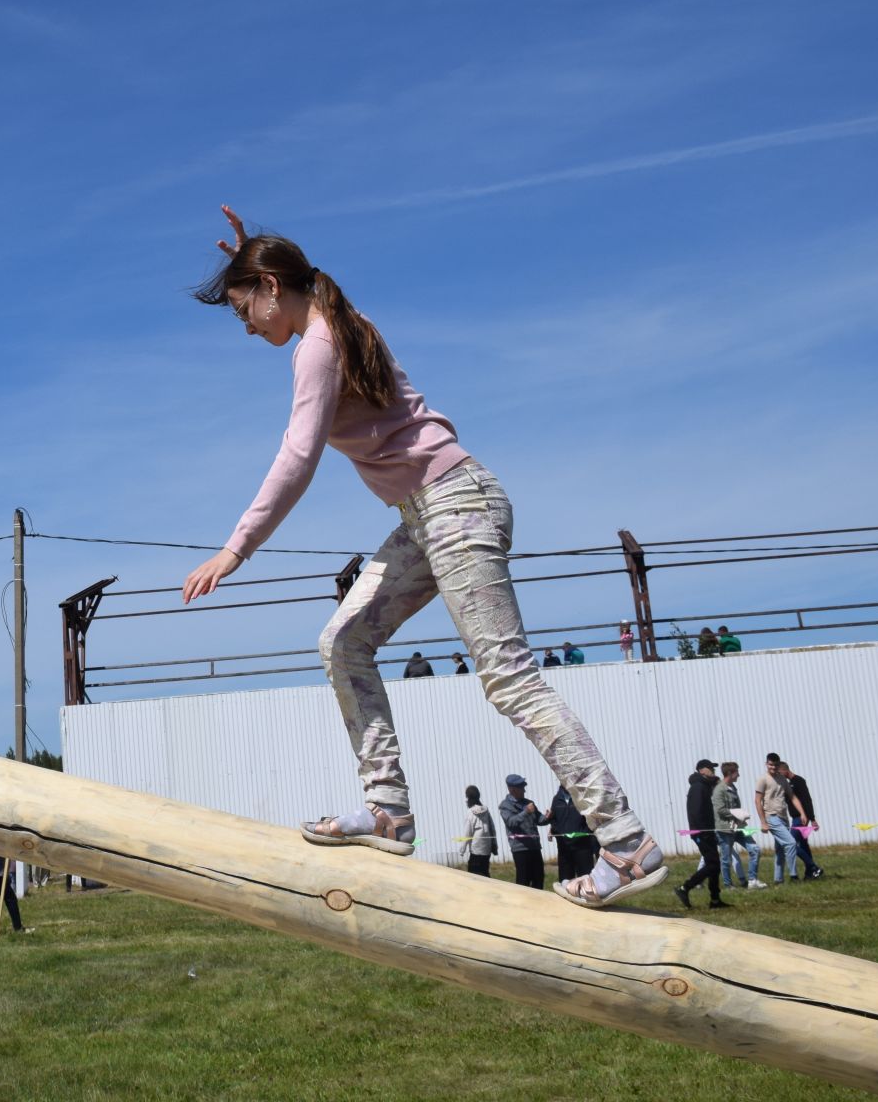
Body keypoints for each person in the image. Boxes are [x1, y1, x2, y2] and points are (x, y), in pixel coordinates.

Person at [180, 208, 663, 909]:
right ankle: (388, 811)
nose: (247, 326)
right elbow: (298, 285)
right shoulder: (341, 318)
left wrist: (236, 547)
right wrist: (251, 261)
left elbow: (297, 457)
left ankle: (626, 842)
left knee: (510, 681)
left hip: (457, 507)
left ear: (270, 286)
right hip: (430, 516)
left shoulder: (317, 345)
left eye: (243, 308)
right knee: (344, 642)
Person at [674, 760, 730, 910]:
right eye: (710, 768)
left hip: (706, 832)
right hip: (702, 832)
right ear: (701, 770)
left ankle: (715, 900)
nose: (713, 770)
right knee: (712, 864)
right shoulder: (698, 787)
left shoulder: (704, 785)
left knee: (715, 865)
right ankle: (684, 888)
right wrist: (703, 832)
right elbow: (697, 811)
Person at [715, 762, 766, 891]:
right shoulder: (719, 790)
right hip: (725, 828)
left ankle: (752, 880)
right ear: (730, 774)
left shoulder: (733, 787)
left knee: (755, 849)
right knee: (726, 859)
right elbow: (720, 810)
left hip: (741, 827)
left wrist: (740, 816)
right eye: (737, 772)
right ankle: (728, 885)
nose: (739, 775)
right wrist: (736, 814)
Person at [754, 753, 801, 885]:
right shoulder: (762, 779)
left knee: (780, 850)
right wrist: (763, 822)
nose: (773, 767)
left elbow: (792, 797)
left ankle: (778, 879)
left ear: (778, 764)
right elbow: (757, 801)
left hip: (783, 817)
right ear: (766, 764)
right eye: (770, 764)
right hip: (771, 817)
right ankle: (794, 876)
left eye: (775, 764)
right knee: (791, 843)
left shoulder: (782, 779)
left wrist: (802, 813)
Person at [497, 774, 548, 890]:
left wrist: (548, 817)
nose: (524, 790)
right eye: (521, 787)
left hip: (534, 847)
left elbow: (539, 819)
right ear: (512, 789)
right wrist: (526, 812)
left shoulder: (529, 803)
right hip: (520, 849)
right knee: (523, 880)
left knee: (538, 878)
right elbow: (511, 822)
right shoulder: (505, 806)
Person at [777, 760, 825, 881]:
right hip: (795, 818)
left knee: (791, 843)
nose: (778, 775)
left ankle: (814, 867)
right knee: (803, 845)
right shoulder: (788, 784)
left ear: (785, 770)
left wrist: (812, 818)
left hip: (801, 819)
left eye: (779, 772)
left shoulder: (798, 781)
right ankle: (810, 873)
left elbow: (807, 800)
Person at [547, 785, 597, 884]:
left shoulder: (582, 797)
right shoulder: (557, 799)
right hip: (564, 848)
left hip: (583, 847)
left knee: (586, 879)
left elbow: (591, 817)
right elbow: (553, 819)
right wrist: (557, 831)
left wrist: (583, 833)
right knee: (565, 881)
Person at [461, 786, 496, 877]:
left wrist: (462, 849)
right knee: (485, 873)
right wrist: (494, 844)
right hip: (486, 850)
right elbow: (492, 828)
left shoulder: (470, 812)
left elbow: (467, 833)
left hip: (476, 851)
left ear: (468, 797)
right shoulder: (486, 810)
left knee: (474, 876)